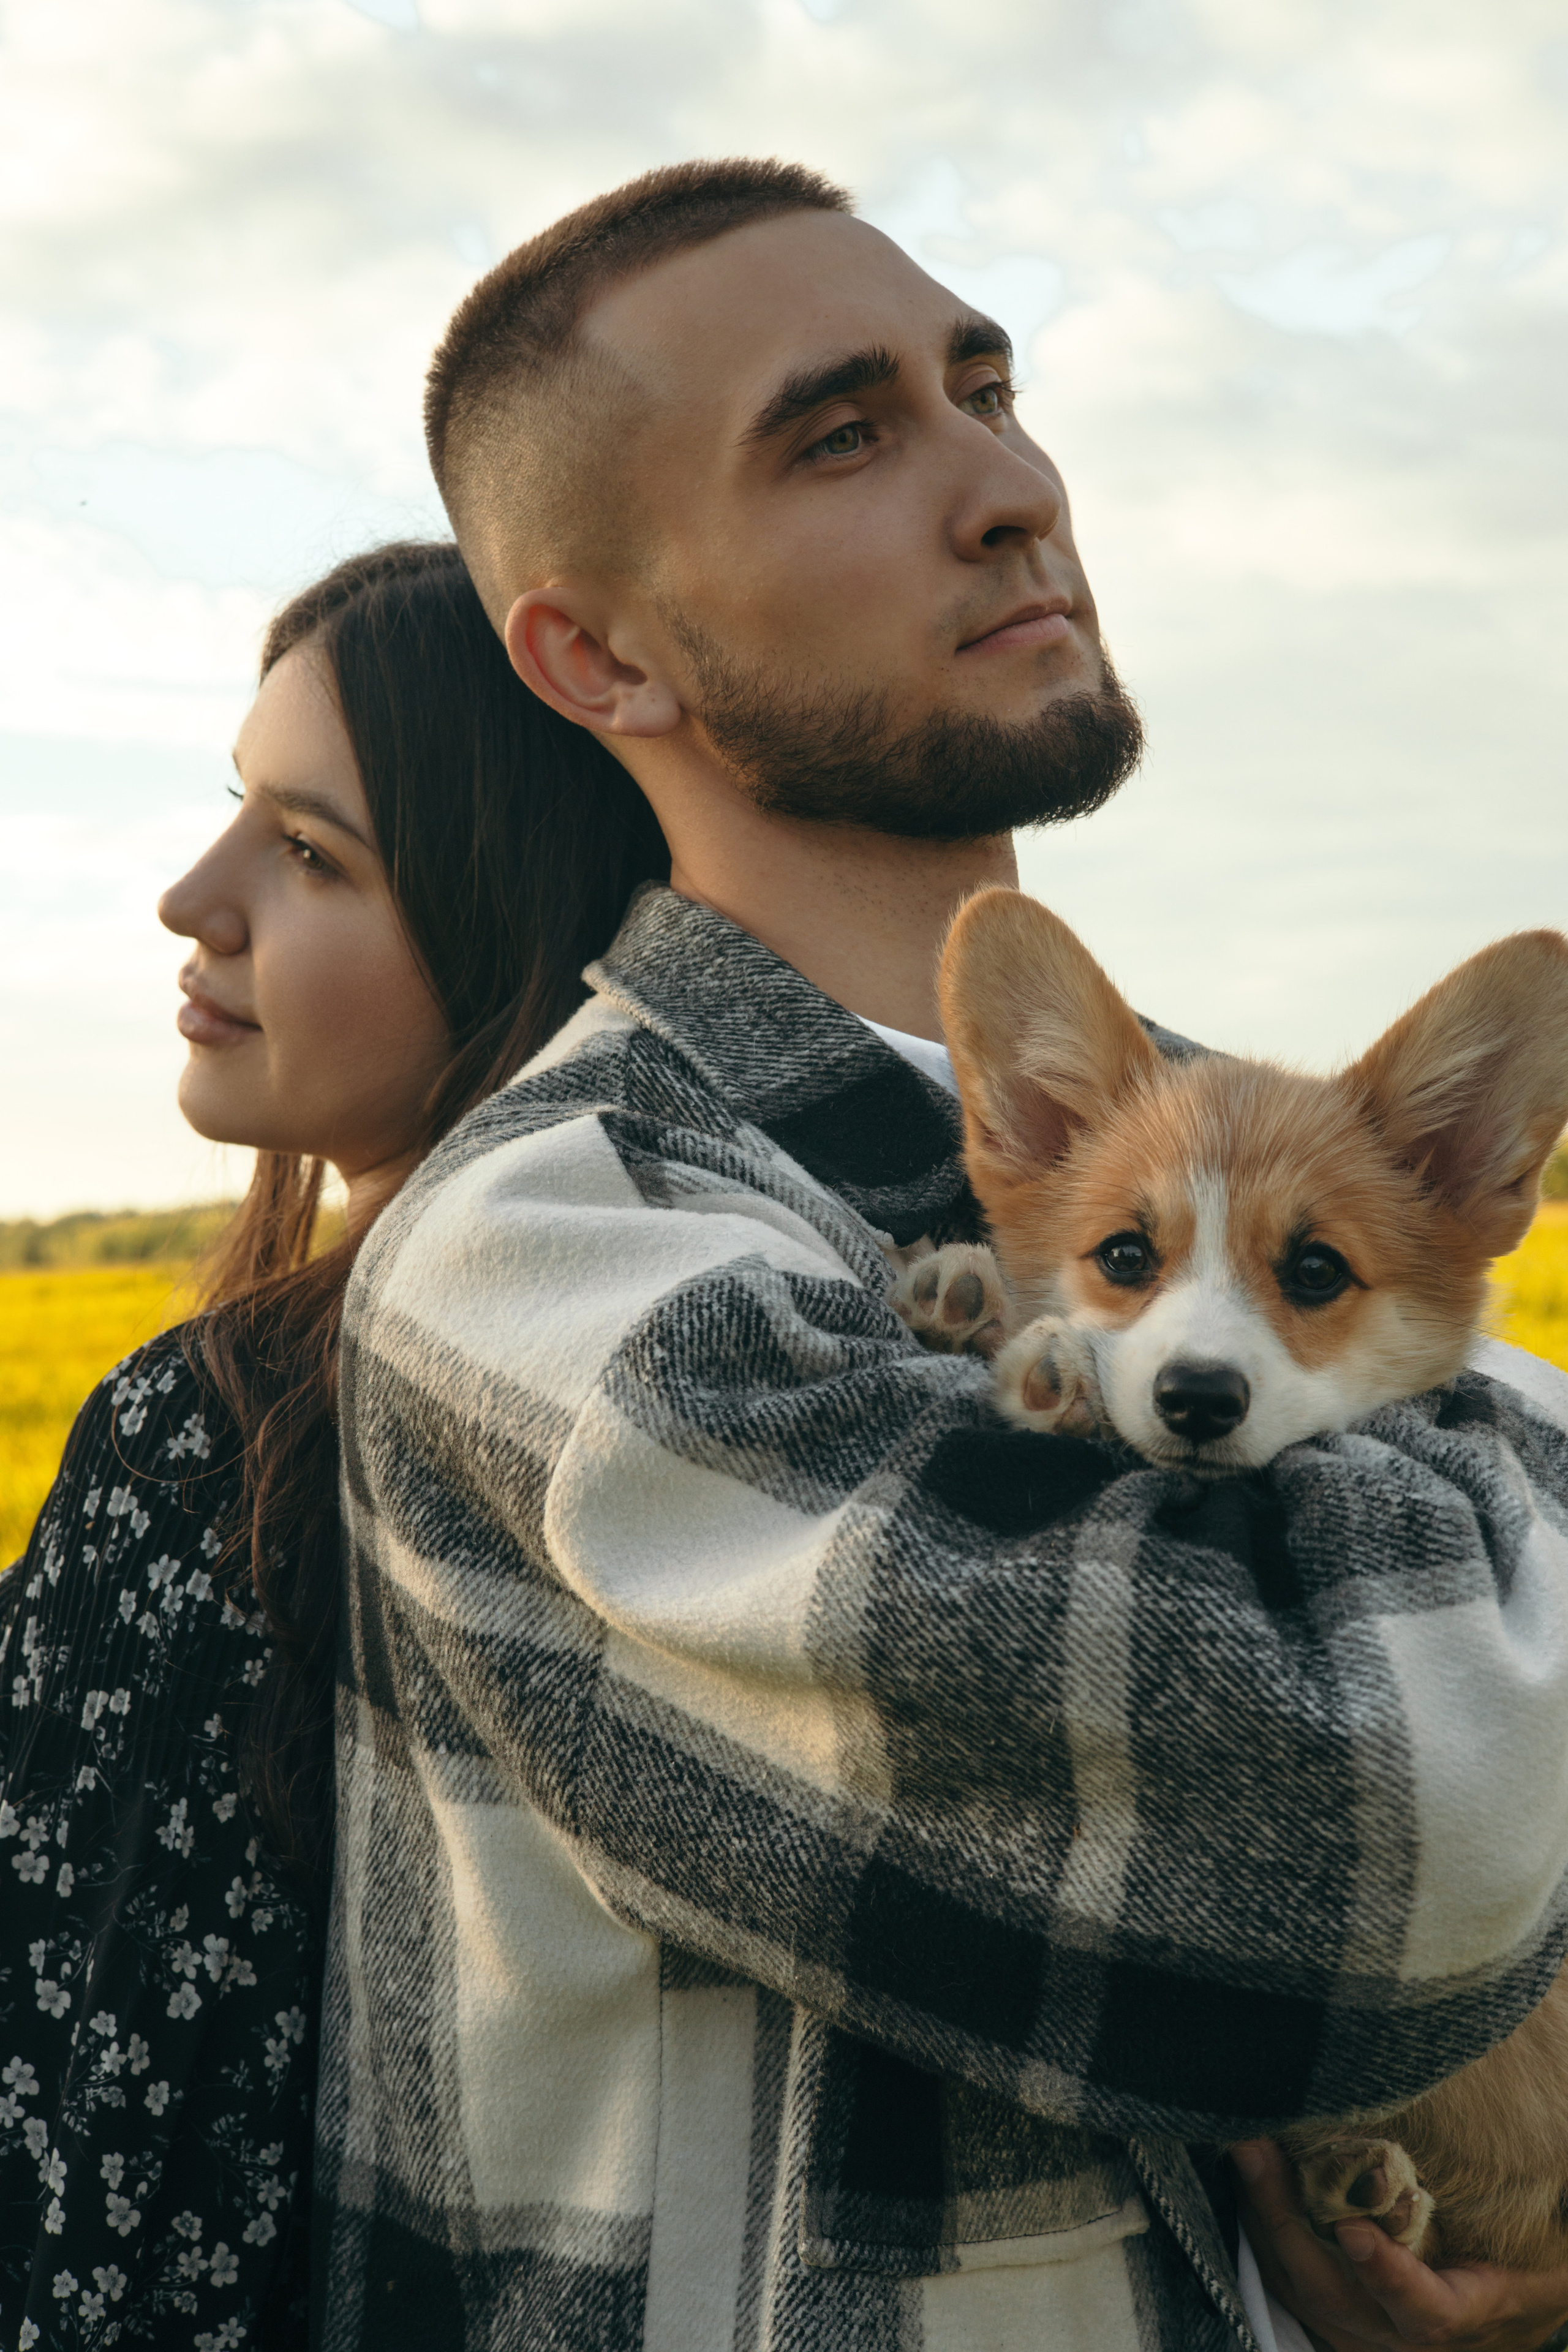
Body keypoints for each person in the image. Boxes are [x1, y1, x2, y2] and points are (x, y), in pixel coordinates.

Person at [314, 160, 1568, 2352]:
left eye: (986, 385)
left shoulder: (1213, 1135)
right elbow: (1394, 1819)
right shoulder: (557, 1248)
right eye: (842, 433)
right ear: (594, 653)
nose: (1002, 484)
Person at [0, 539, 668, 2351]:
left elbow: (109, 2178)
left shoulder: (221, 1443)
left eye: (309, 856)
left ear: (517, 916)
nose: (189, 899)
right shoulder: (660, 1368)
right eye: (239, 812)